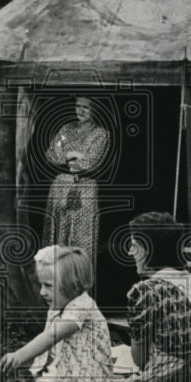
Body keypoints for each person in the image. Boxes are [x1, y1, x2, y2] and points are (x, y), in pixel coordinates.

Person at [0, 246, 114, 382]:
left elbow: (51, 336)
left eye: (48, 286)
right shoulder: (60, 307)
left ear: (72, 285)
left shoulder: (82, 306)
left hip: (84, 381)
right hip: (64, 371)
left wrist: (19, 356)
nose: (42, 292)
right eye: (41, 284)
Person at [112, 212, 191, 382]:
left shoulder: (146, 291)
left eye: (134, 245)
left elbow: (140, 361)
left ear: (148, 250)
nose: (130, 251)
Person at [43, 96, 110, 263]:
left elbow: (90, 162)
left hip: (85, 189)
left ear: (95, 110)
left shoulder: (101, 134)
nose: (80, 111)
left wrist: (67, 155)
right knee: (57, 238)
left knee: (81, 239)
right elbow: (51, 155)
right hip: (60, 187)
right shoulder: (66, 129)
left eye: (86, 107)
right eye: (78, 106)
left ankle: (79, 275)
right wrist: (74, 155)